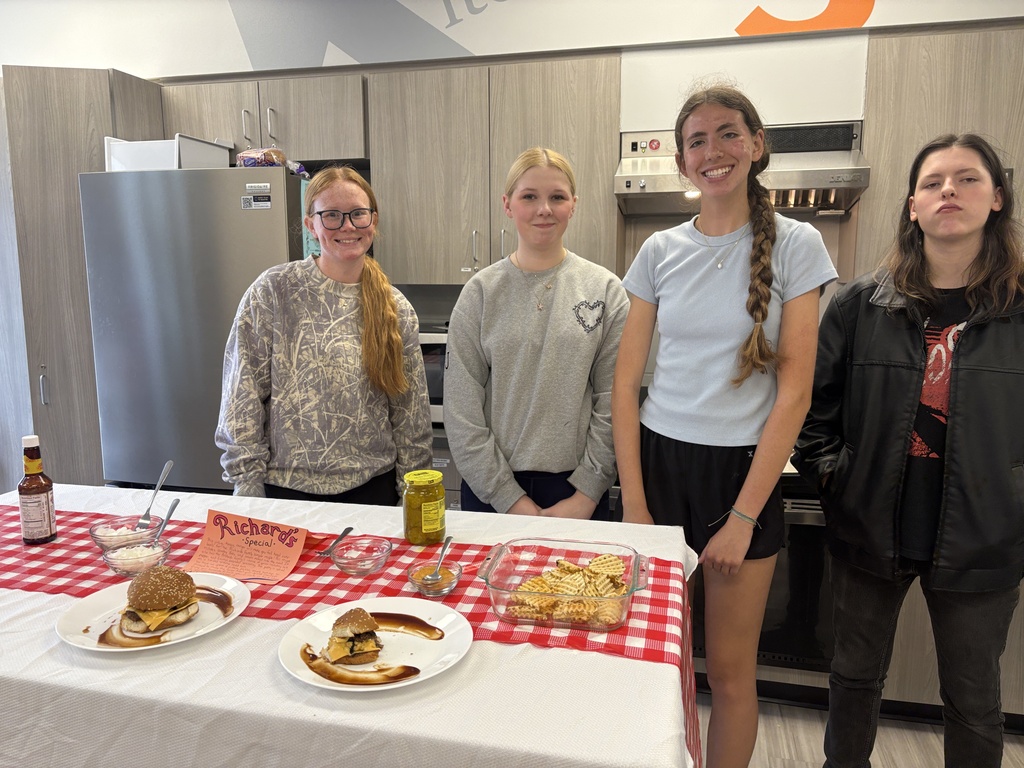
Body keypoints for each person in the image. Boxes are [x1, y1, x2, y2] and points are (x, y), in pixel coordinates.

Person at [612, 84, 837, 767]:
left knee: (732, 676)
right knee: (653, 660)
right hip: (659, 464)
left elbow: (794, 394)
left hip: (745, 472)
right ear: (682, 161)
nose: (714, 150)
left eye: (729, 133)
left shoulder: (798, 244)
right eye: (697, 141)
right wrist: (636, 507)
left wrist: (743, 518)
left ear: (756, 144)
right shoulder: (658, 251)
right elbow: (624, 384)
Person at [793, 133, 1024, 768]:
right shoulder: (860, 304)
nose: (949, 190)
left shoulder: (1019, 310)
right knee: (853, 678)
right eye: (932, 182)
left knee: (973, 700)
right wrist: (838, 480)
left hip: (984, 534)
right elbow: (814, 412)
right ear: (913, 205)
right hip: (870, 522)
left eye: (968, 178)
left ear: (997, 198)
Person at [216, 166, 432, 504]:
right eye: (331, 215)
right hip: (284, 493)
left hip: (373, 492)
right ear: (311, 226)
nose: (347, 226)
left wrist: (412, 496)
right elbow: (241, 397)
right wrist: (247, 488)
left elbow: (410, 416)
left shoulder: (396, 308)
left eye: (358, 213)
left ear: (373, 221)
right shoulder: (273, 291)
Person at [444, 147, 628, 519]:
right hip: (490, 491)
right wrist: (508, 498)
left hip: (577, 491)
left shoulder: (605, 290)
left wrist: (587, 493)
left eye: (557, 197)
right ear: (508, 205)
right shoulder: (480, 294)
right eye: (529, 196)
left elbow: (613, 401)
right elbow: (461, 410)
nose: (544, 209)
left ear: (573, 205)